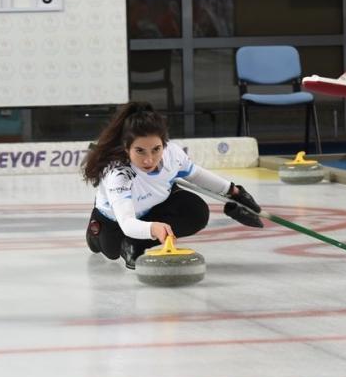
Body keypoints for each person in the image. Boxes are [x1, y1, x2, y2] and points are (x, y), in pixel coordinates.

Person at [82, 102, 263, 269]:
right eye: (139, 151)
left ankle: (137, 243)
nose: (149, 159)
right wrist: (153, 228)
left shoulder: (172, 155)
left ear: (163, 144)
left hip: (155, 206)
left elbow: (196, 175)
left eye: (156, 149)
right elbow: (127, 223)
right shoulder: (118, 173)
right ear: (125, 148)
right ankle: (95, 235)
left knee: (196, 211)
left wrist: (234, 191)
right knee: (112, 251)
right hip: (116, 219)